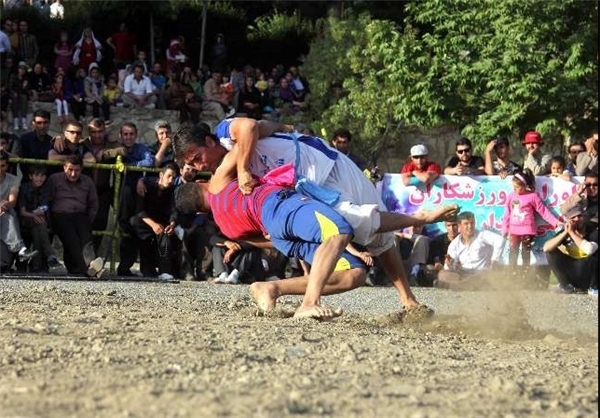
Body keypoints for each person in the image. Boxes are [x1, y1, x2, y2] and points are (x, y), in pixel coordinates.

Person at [172, 119, 459, 311]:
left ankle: (408, 299)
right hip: (304, 188)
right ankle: (405, 290)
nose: (198, 166)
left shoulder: (225, 135)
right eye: (192, 165)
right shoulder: (220, 177)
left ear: (209, 141)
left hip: (321, 165)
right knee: (359, 232)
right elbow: (257, 237)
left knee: (372, 231)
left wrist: (246, 166)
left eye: (196, 157)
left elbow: (250, 126)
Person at [176, 146, 368, 318]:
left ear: (200, 211)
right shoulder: (218, 181)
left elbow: (265, 240)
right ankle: (309, 304)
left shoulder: (225, 227)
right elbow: (247, 130)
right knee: (339, 230)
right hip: (276, 206)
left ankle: (271, 288)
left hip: (280, 235)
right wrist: (243, 169)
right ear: (201, 182)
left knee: (354, 273)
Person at [47, 155, 102, 277]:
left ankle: (91, 264)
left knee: (86, 238)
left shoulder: (87, 181)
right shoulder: (55, 179)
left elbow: (94, 203)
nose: (73, 174)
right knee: (71, 237)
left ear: (81, 169)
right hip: (60, 215)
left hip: (80, 215)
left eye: (76, 170)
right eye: (70, 170)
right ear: (64, 168)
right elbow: (47, 199)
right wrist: (49, 219)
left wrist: (88, 219)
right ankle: (84, 268)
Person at [500, 169, 561, 273]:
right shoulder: (511, 196)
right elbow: (507, 213)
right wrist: (505, 229)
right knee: (513, 252)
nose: (515, 189)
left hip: (527, 231)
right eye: (513, 187)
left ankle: (525, 274)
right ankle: (511, 273)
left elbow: (543, 211)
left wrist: (555, 222)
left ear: (524, 185)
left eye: (517, 187)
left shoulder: (533, 196)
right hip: (514, 231)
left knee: (525, 253)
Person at [129, 162, 180, 279]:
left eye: (174, 177)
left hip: (161, 221)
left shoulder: (173, 191)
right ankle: (146, 270)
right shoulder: (147, 186)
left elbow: (174, 210)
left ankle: (164, 271)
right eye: (169, 176)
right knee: (141, 232)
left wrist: (172, 223)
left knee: (165, 234)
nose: (171, 180)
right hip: (145, 221)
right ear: (161, 175)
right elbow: (139, 210)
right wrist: (153, 225)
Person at [436, 211, 506, 290]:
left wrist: (495, 260)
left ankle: (458, 286)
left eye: (472, 223)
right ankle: (462, 285)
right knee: (443, 274)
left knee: (485, 275)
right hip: (465, 274)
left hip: (483, 273)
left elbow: (500, 240)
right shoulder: (455, 244)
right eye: (466, 224)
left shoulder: (482, 235)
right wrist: (449, 263)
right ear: (460, 225)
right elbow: (450, 268)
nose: (470, 226)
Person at [543, 203, 598, 295]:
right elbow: (546, 248)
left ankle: (594, 288)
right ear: (568, 220)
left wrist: (572, 233)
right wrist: (565, 233)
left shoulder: (593, 231)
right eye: (573, 217)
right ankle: (566, 286)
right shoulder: (566, 231)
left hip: (590, 273)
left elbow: (589, 250)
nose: (577, 219)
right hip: (574, 270)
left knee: (594, 255)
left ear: (584, 217)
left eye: (579, 216)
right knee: (550, 252)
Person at [17, 164, 62, 272]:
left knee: (39, 229)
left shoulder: (45, 189)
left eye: (42, 176)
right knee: (40, 224)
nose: (40, 178)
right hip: (26, 218)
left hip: (38, 219)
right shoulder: (24, 188)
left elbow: (45, 206)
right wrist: (34, 215)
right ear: (30, 176)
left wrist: (40, 211)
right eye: (37, 175)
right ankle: (50, 256)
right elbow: (22, 212)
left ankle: (36, 265)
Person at [0, 150, 38, 268]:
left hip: (3, 213)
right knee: (9, 218)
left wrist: (3, 204)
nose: (0, 168)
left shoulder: (13, 179)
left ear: (7, 166)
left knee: (9, 215)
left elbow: (12, 201)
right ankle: (21, 249)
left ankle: (18, 251)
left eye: (2, 165)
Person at [8, 61, 29, 131]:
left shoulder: (26, 78)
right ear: (18, 69)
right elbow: (10, 87)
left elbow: (26, 90)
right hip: (14, 93)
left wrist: (24, 86)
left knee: (24, 98)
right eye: (20, 69)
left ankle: (24, 121)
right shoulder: (13, 76)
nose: (22, 70)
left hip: (22, 93)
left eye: (23, 69)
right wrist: (14, 92)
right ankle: (15, 120)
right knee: (15, 98)